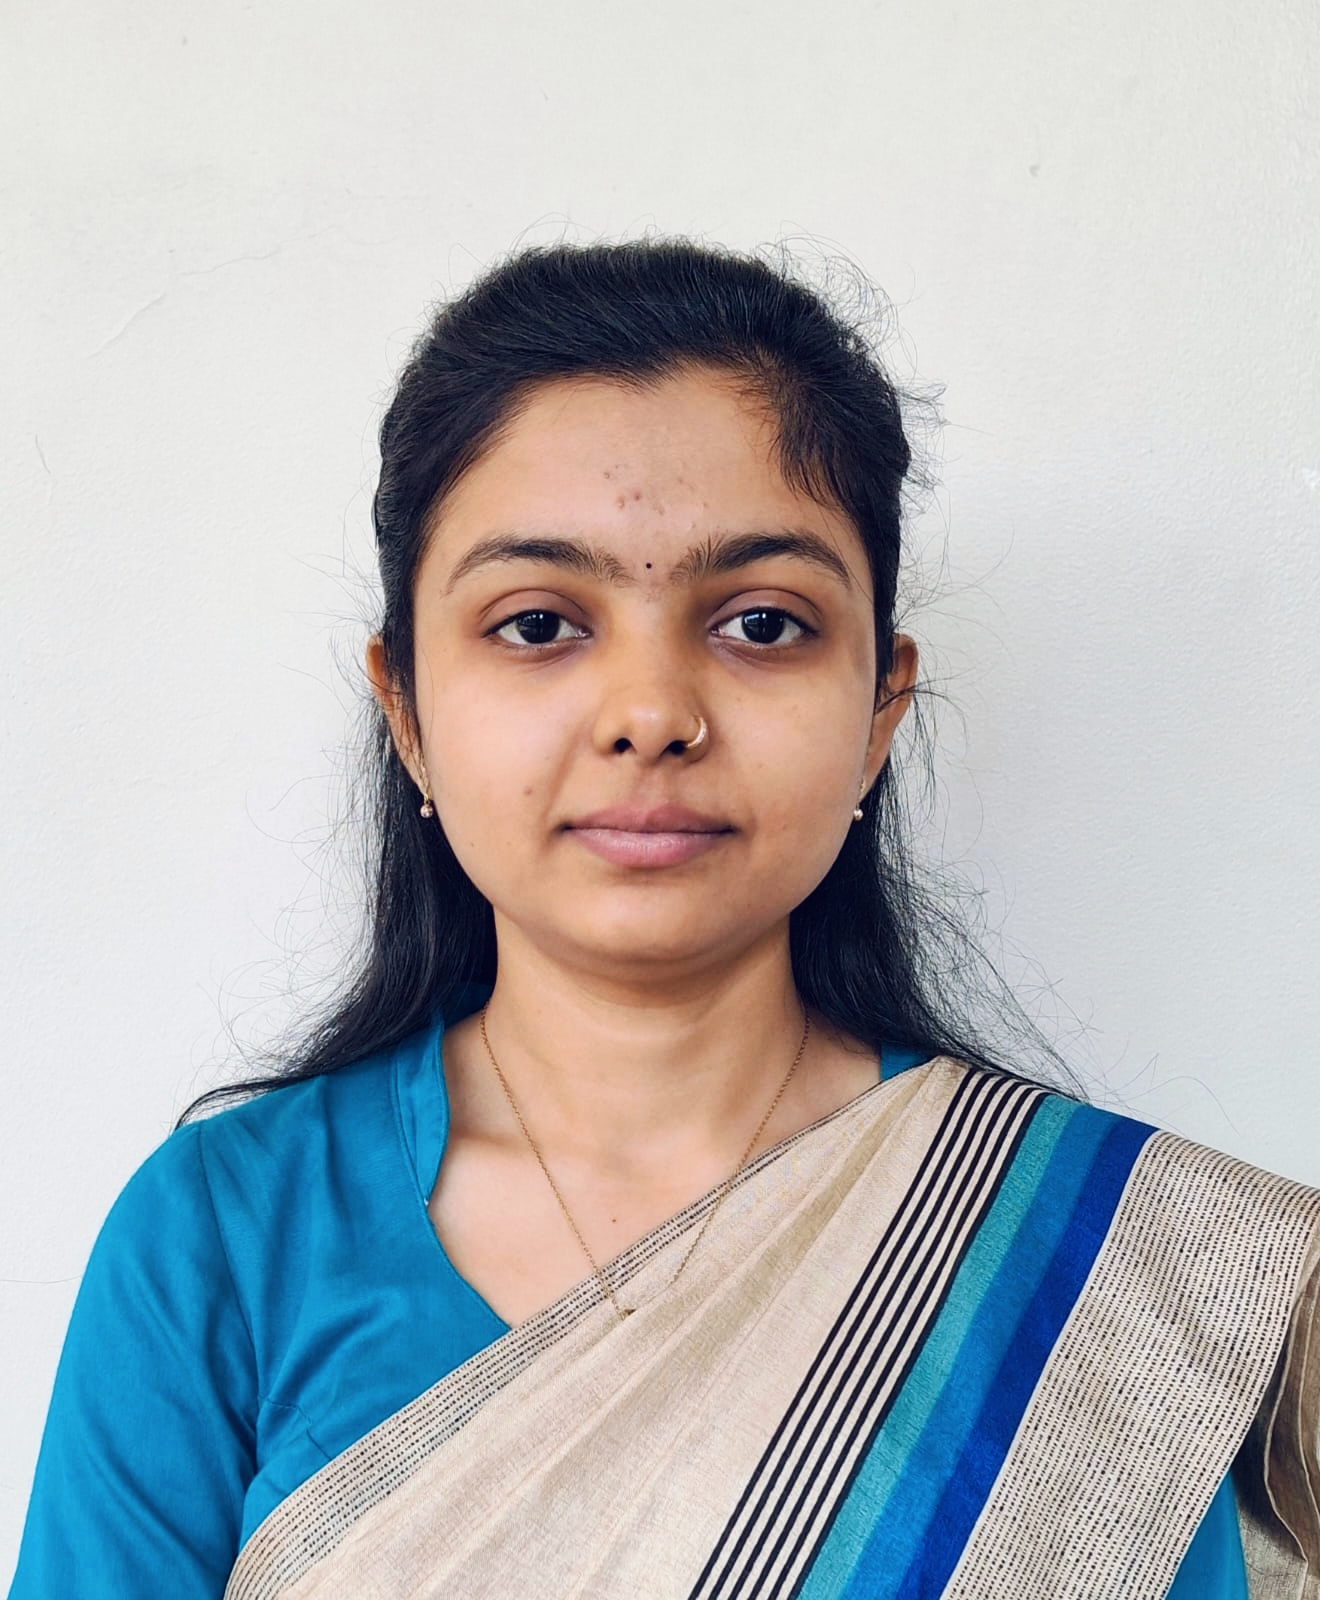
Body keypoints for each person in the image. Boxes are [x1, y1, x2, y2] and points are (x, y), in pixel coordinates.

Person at [10, 240, 1319, 1600]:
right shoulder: (227, 1236)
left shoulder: (1098, 1275)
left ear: (881, 708)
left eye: (763, 624)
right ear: (405, 708)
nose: (651, 713)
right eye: (536, 625)